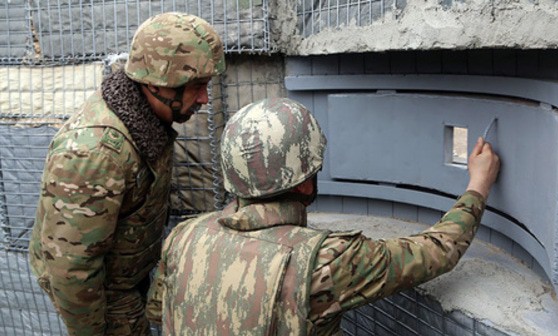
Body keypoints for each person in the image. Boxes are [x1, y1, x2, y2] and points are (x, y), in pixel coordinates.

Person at [146, 97, 500, 335]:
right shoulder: (325, 261)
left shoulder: (183, 237)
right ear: (304, 183)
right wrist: (479, 184)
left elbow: (157, 313)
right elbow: (438, 250)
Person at [28, 12, 225, 336]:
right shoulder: (95, 153)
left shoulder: (145, 117)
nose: (204, 98)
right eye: (196, 86)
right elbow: (70, 270)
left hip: (126, 280)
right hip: (101, 298)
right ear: (156, 83)